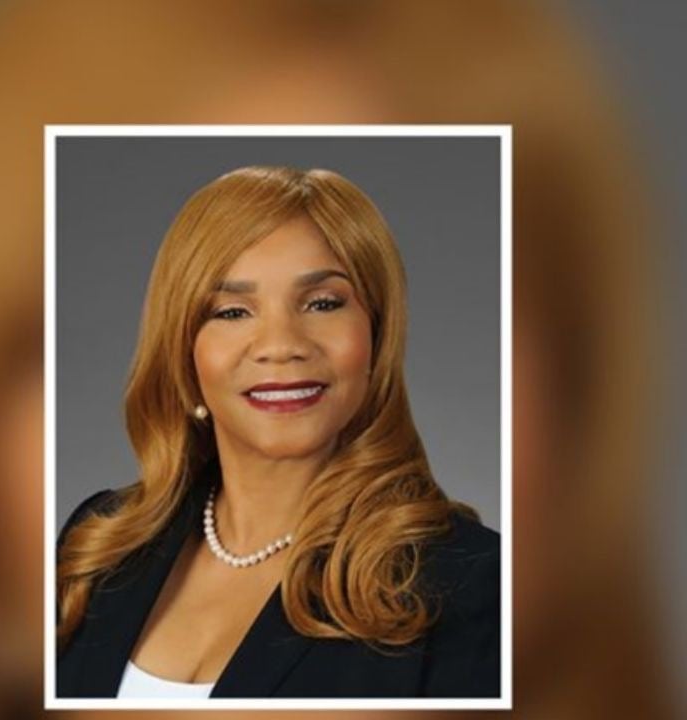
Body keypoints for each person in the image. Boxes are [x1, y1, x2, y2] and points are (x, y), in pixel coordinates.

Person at [56, 165, 500, 699]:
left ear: (377, 336)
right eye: (232, 311)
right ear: (183, 349)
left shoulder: (472, 584)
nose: (281, 345)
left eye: (323, 303)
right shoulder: (97, 547)